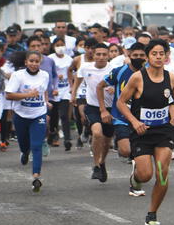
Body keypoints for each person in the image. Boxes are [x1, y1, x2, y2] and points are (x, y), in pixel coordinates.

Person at [117, 39, 174, 225]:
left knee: (163, 174)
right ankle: (136, 179)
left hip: (164, 131)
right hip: (142, 132)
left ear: (166, 56)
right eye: (154, 54)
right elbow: (121, 103)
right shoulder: (137, 78)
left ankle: (152, 213)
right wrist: (135, 121)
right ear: (147, 57)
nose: (158, 57)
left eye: (161, 54)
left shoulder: (171, 78)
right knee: (146, 175)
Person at [99, 43, 148, 195]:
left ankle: (136, 178)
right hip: (121, 116)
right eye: (135, 56)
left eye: (141, 56)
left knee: (140, 152)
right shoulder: (119, 72)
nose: (138, 58)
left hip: (142, 118)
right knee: (126, 151)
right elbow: (99, 86)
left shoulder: (149, 73)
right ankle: (106, 161)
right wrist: (102, 110)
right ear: (129, 55)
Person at [6, 51, 50, 192]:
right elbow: (9, 95)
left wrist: (46, 102)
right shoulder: (18, 76)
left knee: (36, 145)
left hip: (39, 114)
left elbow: (43, 91)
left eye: (36, 61)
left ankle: (36, 177)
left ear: (40, 63)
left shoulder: (45, 75)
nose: (34, 64)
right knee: (25, 145)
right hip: (21, 115)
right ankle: (24, 153)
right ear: (26, 62)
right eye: (31, 61)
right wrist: (28, 95)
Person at [71, 43, 114, 183]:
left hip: (111, 108)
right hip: (93, 106)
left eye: (104, 54)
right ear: (93, 55)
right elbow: (77, 82)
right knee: (97, 133)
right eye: (98, 54)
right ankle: (96, 165)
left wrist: (115, 89)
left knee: (107, 140)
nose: (101, 57)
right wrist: (73, 95)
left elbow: (123, 85)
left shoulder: (114, 69)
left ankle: (102, 162)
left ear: (108, 56)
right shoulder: (85, 68)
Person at [48, 37, 74, 150]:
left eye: (62, 44)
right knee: (53, 117)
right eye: (57, 45)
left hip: (65, 90)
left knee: (64, 115)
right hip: (53, 91)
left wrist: (72, 86)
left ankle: (67, 139)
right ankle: (53, 135)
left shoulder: (69, 59)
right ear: (53, 47)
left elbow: (73, 72)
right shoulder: (50, 59)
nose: (60, 47)